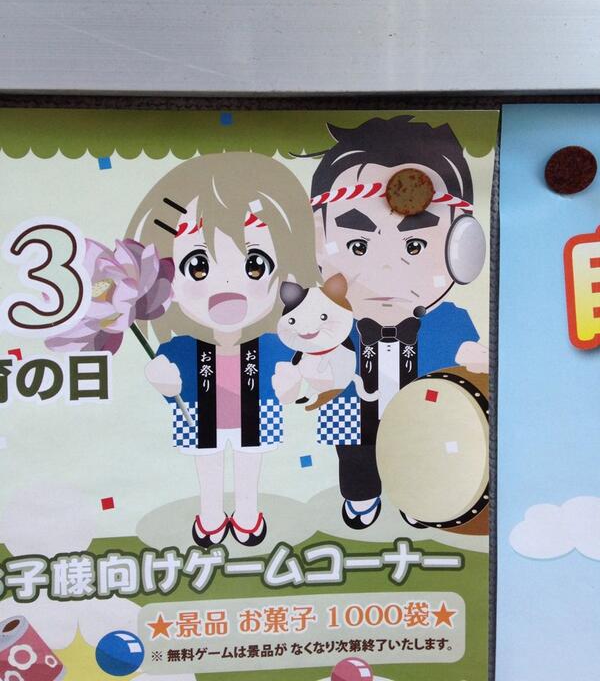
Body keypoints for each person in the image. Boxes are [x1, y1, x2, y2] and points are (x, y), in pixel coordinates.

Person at [273, 115, 489, 530]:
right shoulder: (328, 318)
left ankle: (417, 499)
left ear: (462, 245)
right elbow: (306, 353)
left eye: (415, 244)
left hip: (423, 414)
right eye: (358, 245)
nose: (387, 270)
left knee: (421, 450)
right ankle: (361, 497)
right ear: (316, 240)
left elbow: (461, 349)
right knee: (355, 457)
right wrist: (295, 376)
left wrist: (475, 356)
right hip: (351, 412)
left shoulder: (448, 319)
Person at [127, 153, 320, 547]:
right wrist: (164, 382)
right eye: (198, 266)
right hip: (202, 416)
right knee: (209, 465)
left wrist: (290, 385)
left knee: (250, 463)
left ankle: (248, 514)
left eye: (255, 266)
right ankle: (211, 515)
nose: (228, 290)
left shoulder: (272, 344)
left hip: (256, 414)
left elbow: (290, 382)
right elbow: (169, 381)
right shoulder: (181, 347)